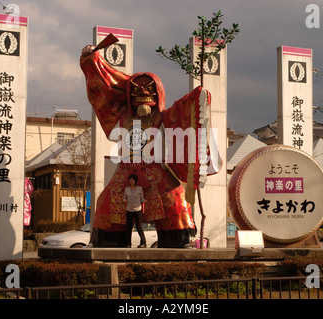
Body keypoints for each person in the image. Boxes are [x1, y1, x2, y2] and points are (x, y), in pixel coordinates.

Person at [80, 41, 220, 248]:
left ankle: (180, 238)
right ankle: (109, 241)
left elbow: (184, 117)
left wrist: (197, 99)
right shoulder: (121, 114)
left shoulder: (164, 116)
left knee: (175, 201)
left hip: (156, 170)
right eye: (138, 90)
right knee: (106, 204)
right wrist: (90, 60)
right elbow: (103, 84)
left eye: (149, 90)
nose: (144, 94)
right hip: (125, 171)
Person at [124, 174, 147, 248]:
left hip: (138, 209)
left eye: (133, 179)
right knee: (129, 227)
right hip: (129, 209)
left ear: (135, 180)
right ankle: (128, 244)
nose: (131, 181)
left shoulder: (139, 188)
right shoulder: (126, 189)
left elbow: (142, 198)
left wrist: (145, 201)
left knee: (139, 227)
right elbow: (124, 198)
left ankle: (143, 243)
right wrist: (124, 200)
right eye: (130, 179)